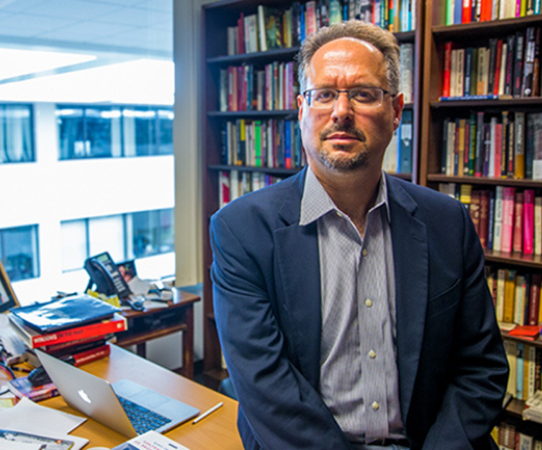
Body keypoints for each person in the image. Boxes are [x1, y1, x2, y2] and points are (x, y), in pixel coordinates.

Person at [210, 21, 508, 450]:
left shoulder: (448, 222)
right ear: (301, 109)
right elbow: (265, 388)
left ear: (396, 110)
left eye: (364, 94)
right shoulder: (240, 231)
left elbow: (481, 368)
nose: (341, 111)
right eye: (324, 94)